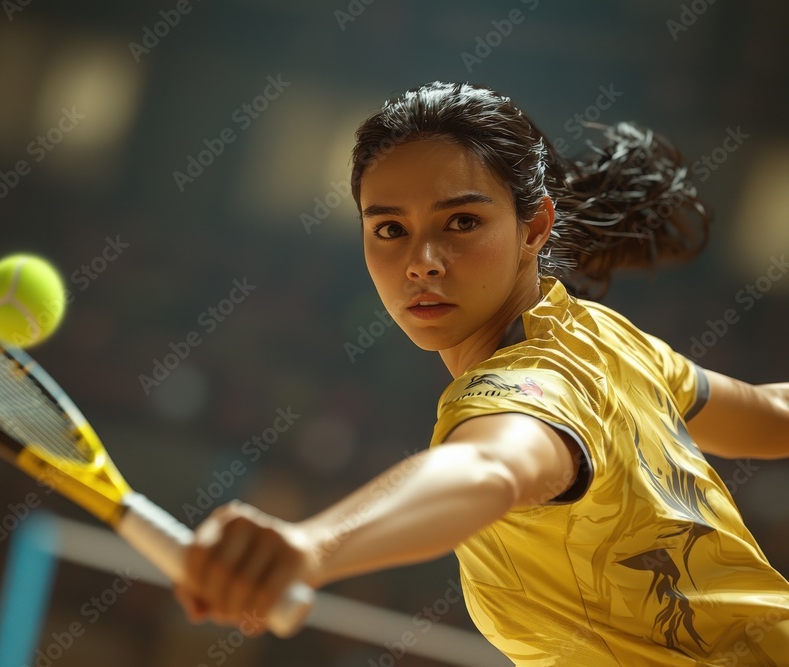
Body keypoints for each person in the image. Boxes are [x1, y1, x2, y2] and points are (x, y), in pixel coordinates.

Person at [173, 81, 789, 665]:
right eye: (390, 229)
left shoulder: (531, 386)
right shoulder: (603, 337)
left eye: (461, 222)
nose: (422, 262)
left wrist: (316, 545)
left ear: (535, 227)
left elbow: (491, 466)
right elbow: (774, 416)